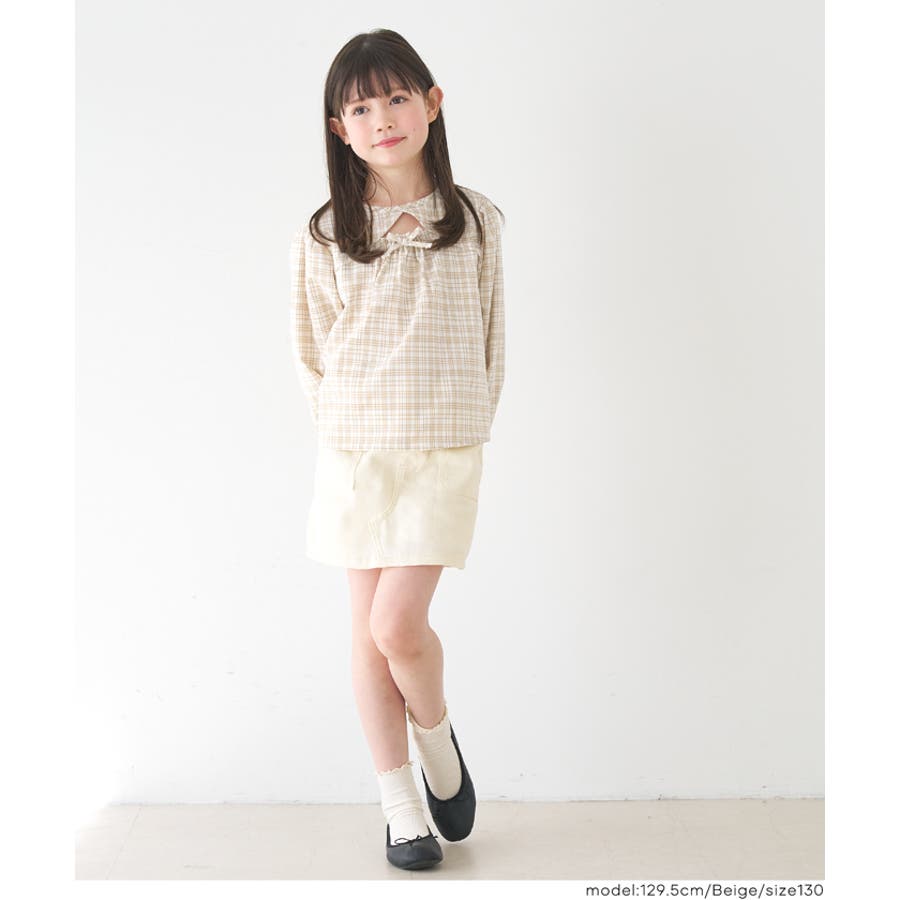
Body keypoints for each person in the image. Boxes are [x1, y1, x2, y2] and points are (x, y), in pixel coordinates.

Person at [289, 28, 505, 870]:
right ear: (339, 130)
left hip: (444, 448)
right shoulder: (324, 234)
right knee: (365, 632)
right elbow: (311, 351)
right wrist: (347, 430)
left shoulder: (476, 221)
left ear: (432, 105)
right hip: (356, 453)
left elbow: (491, 338)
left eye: (396, 98)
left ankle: (437, 735)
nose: (381, 118)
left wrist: (469, 423)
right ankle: (400, 806)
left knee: (397, 625)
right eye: (360, 108)